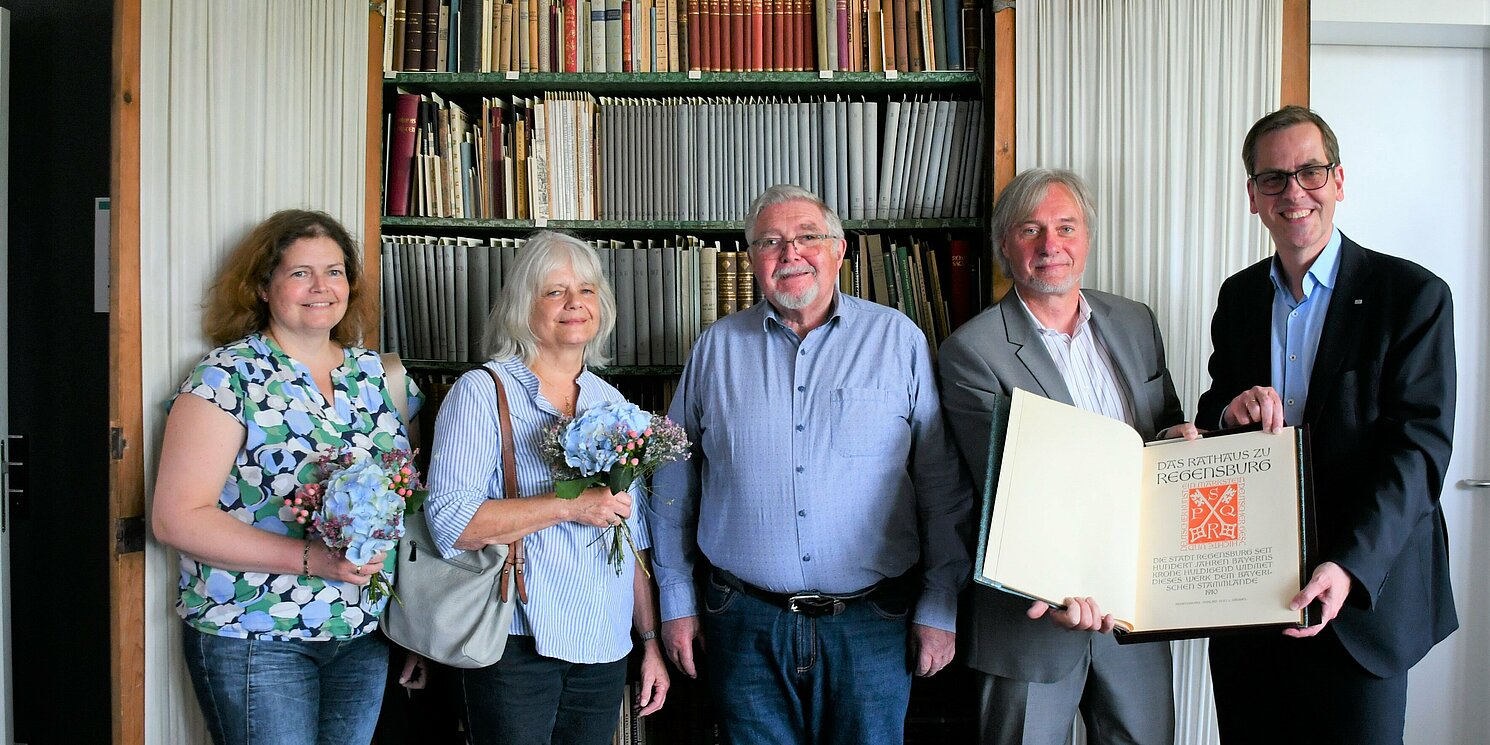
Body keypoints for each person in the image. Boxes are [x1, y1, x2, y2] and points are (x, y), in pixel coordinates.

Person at [648, 184, 973, 744]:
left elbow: (941, 487)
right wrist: (675, 602)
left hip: (873, 623)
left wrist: (940, 605)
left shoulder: (898, 340)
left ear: (840, 249)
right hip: (743, 621)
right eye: (770, 242)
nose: (790, 253)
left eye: (807, 238)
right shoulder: (715, 350)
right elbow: (674, 482)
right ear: (751, 260)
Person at [1197, 105, 1457, 743]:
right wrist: (1229, 412)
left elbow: (1418, 454)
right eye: (1274, 179)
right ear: (1254, 197)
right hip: (1252, 604)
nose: (1294, 192)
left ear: (1338, 181)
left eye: (1310, 172)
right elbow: (1213, 415)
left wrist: (1349, 566)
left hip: (1364, 603)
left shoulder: (1413, 296)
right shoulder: (1239, 297)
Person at [936, 168, 1196, 744]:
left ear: (1086, 238)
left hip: (1136, 617)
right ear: (1005, 245)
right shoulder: (970, 353)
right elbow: (1006, 489)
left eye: (1065, 227)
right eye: (1030, 230)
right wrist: (1059, 586)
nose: (1050, 246)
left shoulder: (1135, 321)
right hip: (1030, 623)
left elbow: (1160, 430)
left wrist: (1180, 447)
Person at [152, 209, 425, 745]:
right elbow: (176, 519)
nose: (322, 287)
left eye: (335, 271)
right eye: (300, 273)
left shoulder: (378, 375)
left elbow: (405, 508)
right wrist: (311, 559)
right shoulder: (227, 376)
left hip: (362, 632)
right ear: (261, 286)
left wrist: (413, 624)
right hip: (256, 632)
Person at [422, 230, 669, 745]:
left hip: (604, 644)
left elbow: (635, 538)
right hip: (516, 643)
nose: (575, 303)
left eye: (586, 289)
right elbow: (453, 524)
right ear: (521, 305)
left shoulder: (612, 402)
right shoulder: (482, 393)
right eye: (554, 291)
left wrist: (649, 641)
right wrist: (568, 505)